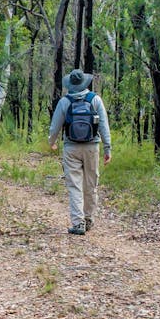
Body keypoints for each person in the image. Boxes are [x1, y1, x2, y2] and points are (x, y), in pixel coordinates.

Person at [48, 69, 111, 235]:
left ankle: (78, 223)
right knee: (91, 184)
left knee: (75, 186)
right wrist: (107, 148)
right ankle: (88, 218)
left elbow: (55, 126)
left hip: (71, 148)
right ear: (85, 82)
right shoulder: (95, 99)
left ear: (71, 84)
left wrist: (52, 142)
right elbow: (103, 125)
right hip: (92, 147)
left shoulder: (65, 101)